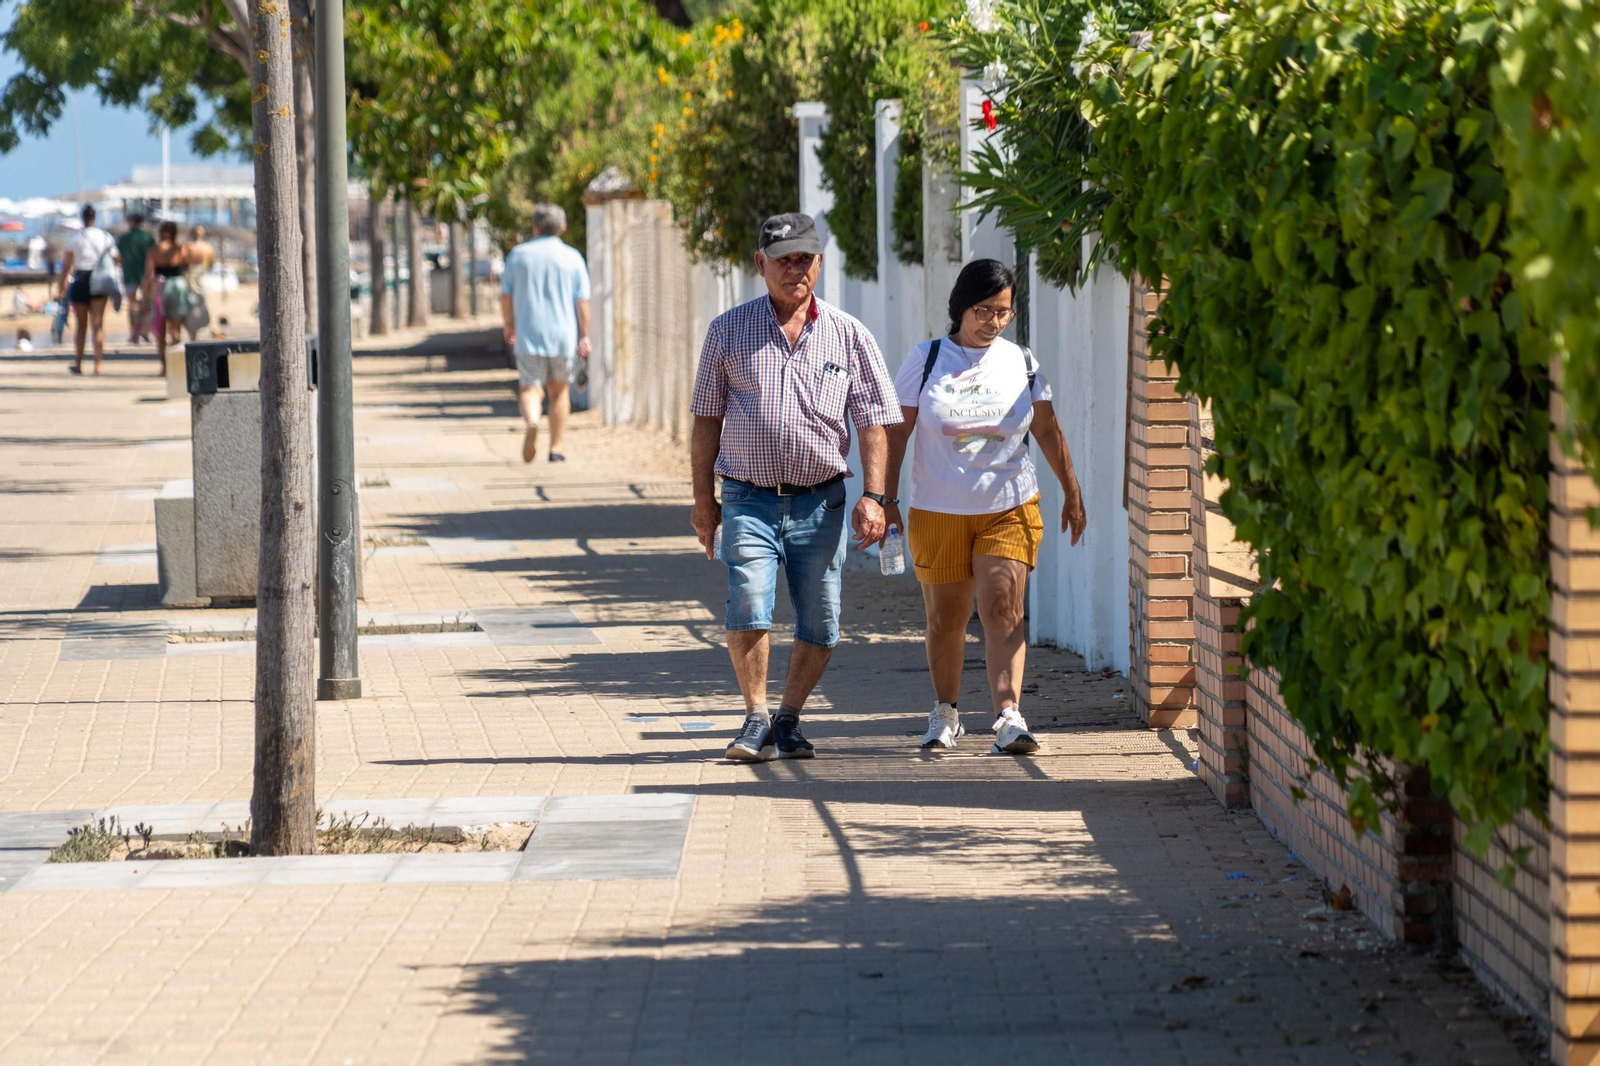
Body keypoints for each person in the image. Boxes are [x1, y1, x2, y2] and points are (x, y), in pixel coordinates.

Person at [690, 212, 902, 762]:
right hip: (747, 497)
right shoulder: (727, 331)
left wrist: (876, 498)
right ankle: (755, 717)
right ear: (760, 265)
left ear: (820, 264)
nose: (794, 270)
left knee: (821, 619)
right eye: (782, 260)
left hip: (821, 501)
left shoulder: (850, 334)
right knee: (750, 603)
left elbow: (874, 421)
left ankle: (789, 718)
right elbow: (706, 421)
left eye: (804, 259)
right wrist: (701, 502)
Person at [883, 259, 1088, 755]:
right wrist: (884, 499)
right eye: (983, 310)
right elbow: (896, 434)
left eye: (1003, 312)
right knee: (946, 621)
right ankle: (946, 711)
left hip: (1009, 503)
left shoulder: (1021, 360)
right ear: (960, 308)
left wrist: (1072, 491)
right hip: (938, 509)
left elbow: (1046, 428)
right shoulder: (926, 359)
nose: (993, 322)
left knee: (1003, 608)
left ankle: (1009, 716)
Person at [500, 203, 591, 464]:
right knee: (559, 392)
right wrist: (584, 335)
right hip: (563, 337)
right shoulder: (572, 257)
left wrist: (509, 324)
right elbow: (582, 301)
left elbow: (505, 296)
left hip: (528, 335)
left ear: (535, 226)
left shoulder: (517, 255)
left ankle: (531, 421)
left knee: (530, 388)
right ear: (562, 227)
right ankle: (557, 448)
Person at [58, 205, 118, 376]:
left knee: (81, 325)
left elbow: (66, 267)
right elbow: (116, 258)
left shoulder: (75, 237)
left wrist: (61, 287)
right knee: (98, 324)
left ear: (82, 218)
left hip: (81, 279)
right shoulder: (105, 237)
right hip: (100, 278)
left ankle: (78, 363)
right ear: (95, 218)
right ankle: (98, 365)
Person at [144, 222, 190, 371]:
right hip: (178, 285)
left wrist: (146, 296)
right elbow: (187, 268)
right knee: (176, 329)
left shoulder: (154, 250)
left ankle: (164, 365)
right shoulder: (181, 248)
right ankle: (176, 365)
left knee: (160, 329)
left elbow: (148, 275)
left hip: (161, 287)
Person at [117, 213, 155, 344]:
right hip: (146, 274)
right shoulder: (147, 237)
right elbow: (153, 255)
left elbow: (118, 258)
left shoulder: (124, 239)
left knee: (132, 304)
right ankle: (145, 331)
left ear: (131, 221)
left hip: (129, 274)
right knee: (147, 304)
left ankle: (134, 333)